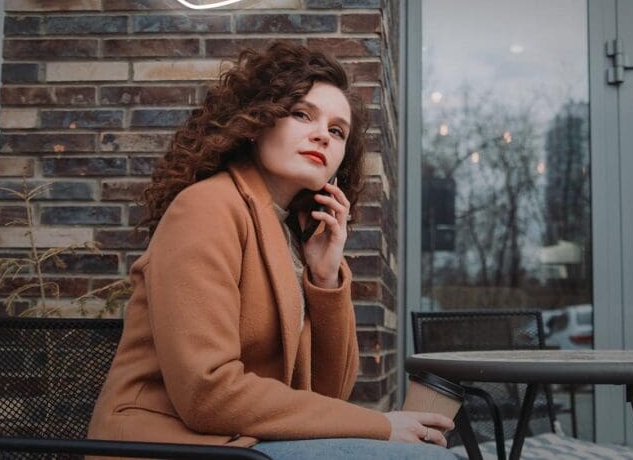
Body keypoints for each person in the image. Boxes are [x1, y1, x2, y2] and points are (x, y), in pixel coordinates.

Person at [88, 41, 455, 458]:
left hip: (245, 443)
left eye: (337, 131)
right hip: (168, 446)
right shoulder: (206, 208)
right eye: (302, 114)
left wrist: (325, 280)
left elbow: (329, 393)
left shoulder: (293, 233)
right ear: (258, 120)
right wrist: (379, 426)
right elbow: (206, 393)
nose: (322, 135)